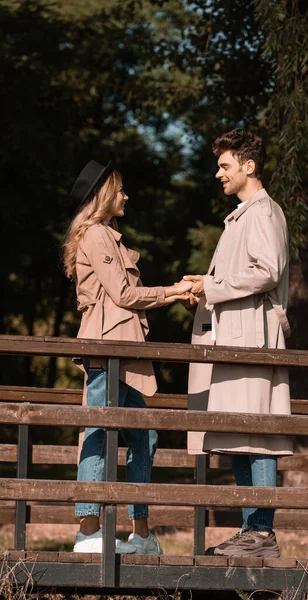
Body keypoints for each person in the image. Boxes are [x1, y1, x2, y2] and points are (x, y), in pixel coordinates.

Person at [63, 160, 192, 554]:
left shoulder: (111, 236)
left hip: (125, 351)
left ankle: (140, 535)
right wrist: (171, 291)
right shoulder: (97, 235)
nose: (126, 196)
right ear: (104, 195)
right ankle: (88, 531)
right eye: (120, 190)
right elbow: (122, 295)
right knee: (99, 434)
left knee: (144, 436)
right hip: (106, 351)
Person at [184, 129, 293, 558]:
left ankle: (262, 534)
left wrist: (211, 286)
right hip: (237, 335)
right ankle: (251, 529)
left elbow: (266, 271)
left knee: (257, 434)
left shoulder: (264, 213)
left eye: (225, 165)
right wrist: (206, 285)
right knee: (238, 435)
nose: (218, 173)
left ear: (249, 166)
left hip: (253, 336)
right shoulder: (244, 213)